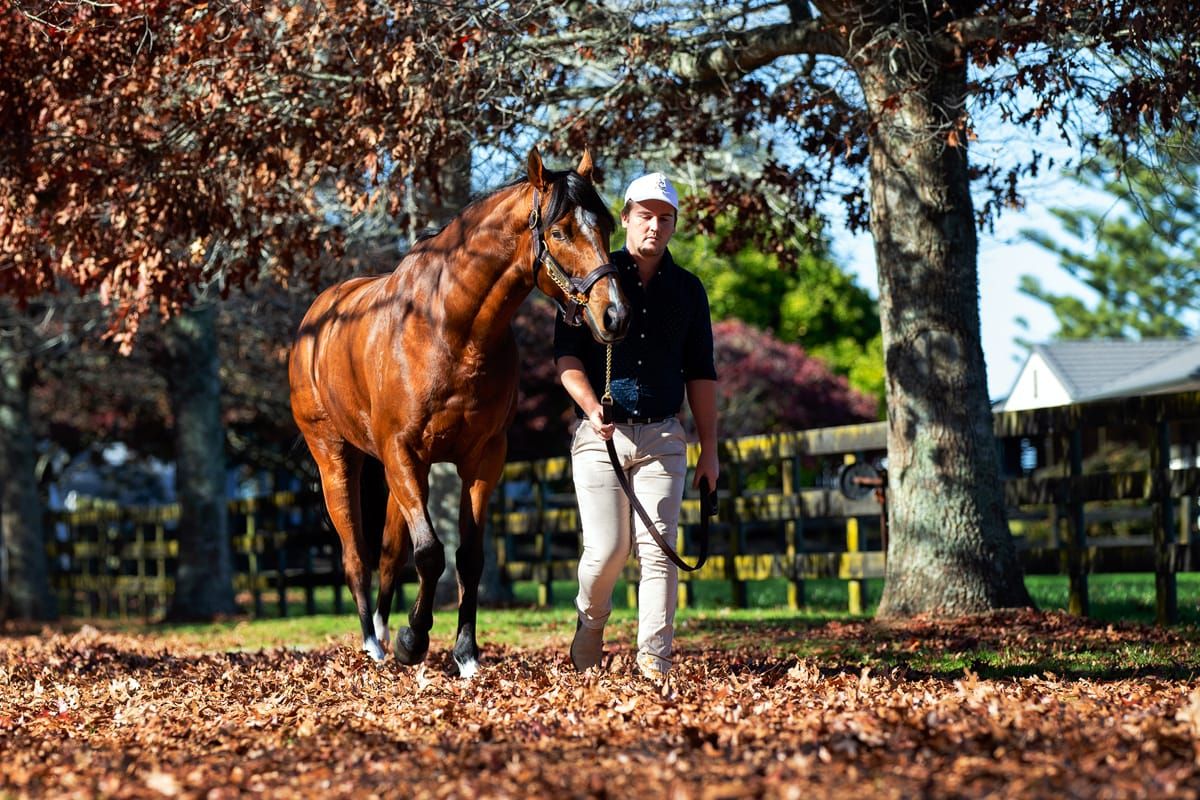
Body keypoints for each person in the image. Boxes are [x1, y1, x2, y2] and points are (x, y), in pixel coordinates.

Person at [553, 171, 719, 680]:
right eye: (645, 215)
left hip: (664, 437)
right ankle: (590, 622)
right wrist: (590, 405)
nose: (654, 226)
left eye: (665, 218)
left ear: (674, 226)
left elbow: (701, 373)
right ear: (625, 218)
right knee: (607, 551)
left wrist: (710, 450)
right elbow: (566, 357)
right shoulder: (591, 275)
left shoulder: (689, 291)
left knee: (659, 552)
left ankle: (655, 663)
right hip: (600, 437)